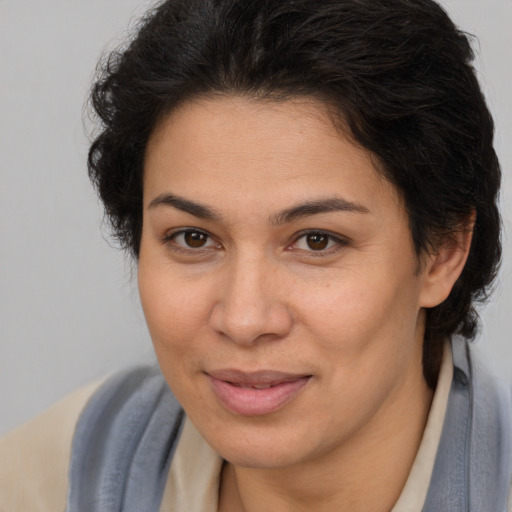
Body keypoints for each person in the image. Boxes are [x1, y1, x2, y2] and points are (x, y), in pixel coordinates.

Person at [1, 0, 510, 510]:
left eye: (317, 241)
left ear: (443, 251)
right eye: (193, 238)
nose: (244, 320)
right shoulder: (50, 480)